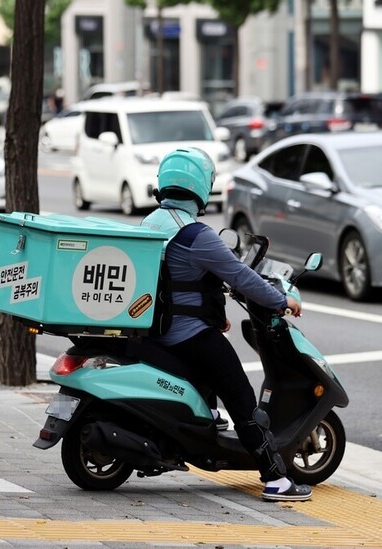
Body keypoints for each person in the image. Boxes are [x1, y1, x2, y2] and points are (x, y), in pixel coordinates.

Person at [139, 147, 312, 502]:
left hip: (156, 331)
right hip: (187, 333)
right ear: (202, 187)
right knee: (241, 394)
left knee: (210, 371)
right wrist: (283, 301)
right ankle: (275, 479)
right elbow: (242, 277)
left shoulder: (150, 224)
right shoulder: (197, 235)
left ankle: (207, 431)